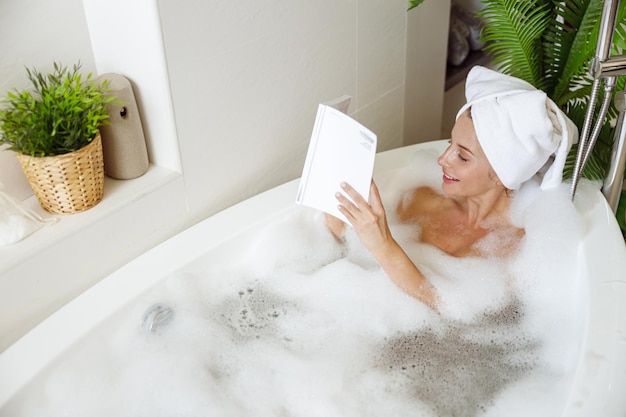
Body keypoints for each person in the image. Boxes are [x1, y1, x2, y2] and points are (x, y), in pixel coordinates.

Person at [325, 66, 578, 311]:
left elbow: (454, 314)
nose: (443, 159)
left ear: (503, 175)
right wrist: (337, 214)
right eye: (450, 143)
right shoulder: (420, 198)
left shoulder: (514, 250)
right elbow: (347, 257)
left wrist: (384, 246)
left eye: (463, 156)